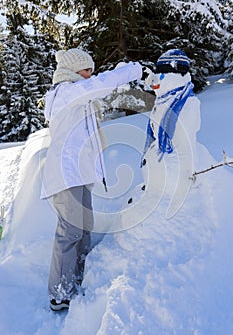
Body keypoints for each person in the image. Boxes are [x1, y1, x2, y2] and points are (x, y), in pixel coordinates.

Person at [40, 48, 151, 311]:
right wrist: (134, 70)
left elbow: (107, 93)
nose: (91, 75)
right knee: (70, 231)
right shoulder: (66, 94)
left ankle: (77, 279)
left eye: (91, 70)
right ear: (71, 72)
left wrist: (145, 95)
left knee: (85, 227)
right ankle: (59, 292)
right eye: (86, 70)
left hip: (79, 174)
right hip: (66, 175)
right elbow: (101, 85)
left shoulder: (81, 98)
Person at [141, 49, 201, 218]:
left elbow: (185, 149)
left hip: (171, 185)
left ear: (175, 72)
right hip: (157, 183)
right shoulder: (166, 97)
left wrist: (182, 181)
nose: (157, 78)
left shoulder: (186, 104)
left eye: (162, 73)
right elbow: (156, 83)